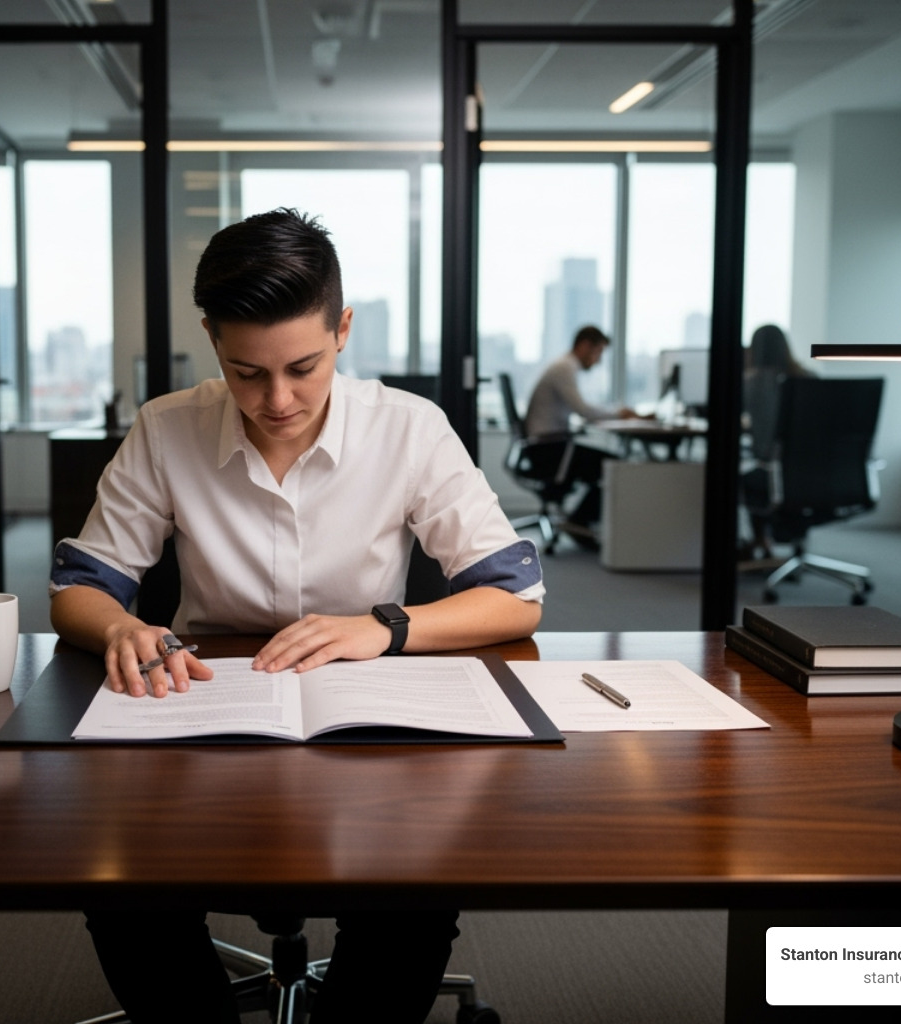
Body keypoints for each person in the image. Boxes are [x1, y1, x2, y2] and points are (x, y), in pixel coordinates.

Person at [49, 208, 544, 1023]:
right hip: (207, 710)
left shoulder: (410, 428)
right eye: (247, 373)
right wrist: (121, 627)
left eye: (303, 368)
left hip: (367, 720)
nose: (277, 400)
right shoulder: (167, 427)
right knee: (124, 886)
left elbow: (514, 599)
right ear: (211, 338)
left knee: (415, 891)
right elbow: (80, 587)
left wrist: (385, 627)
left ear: (342, 330)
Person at [521, 325, 643, 545]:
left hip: (547, 445)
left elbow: (581, 410)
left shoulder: (565, 367)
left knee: (609, 463)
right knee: (614, 466)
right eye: (598, 353)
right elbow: (583, 410)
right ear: (585, 345)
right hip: (549, 450)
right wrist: (620, 413)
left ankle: (579, 522)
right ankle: (579, 523)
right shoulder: (564, 368)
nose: (597, 360)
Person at [740, 324, 813, 559]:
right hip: (814, 474)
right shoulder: (809, 378)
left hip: (771, 473)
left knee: (748, 476)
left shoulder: (750, 383)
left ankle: (761, 539)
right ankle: (794, 542)